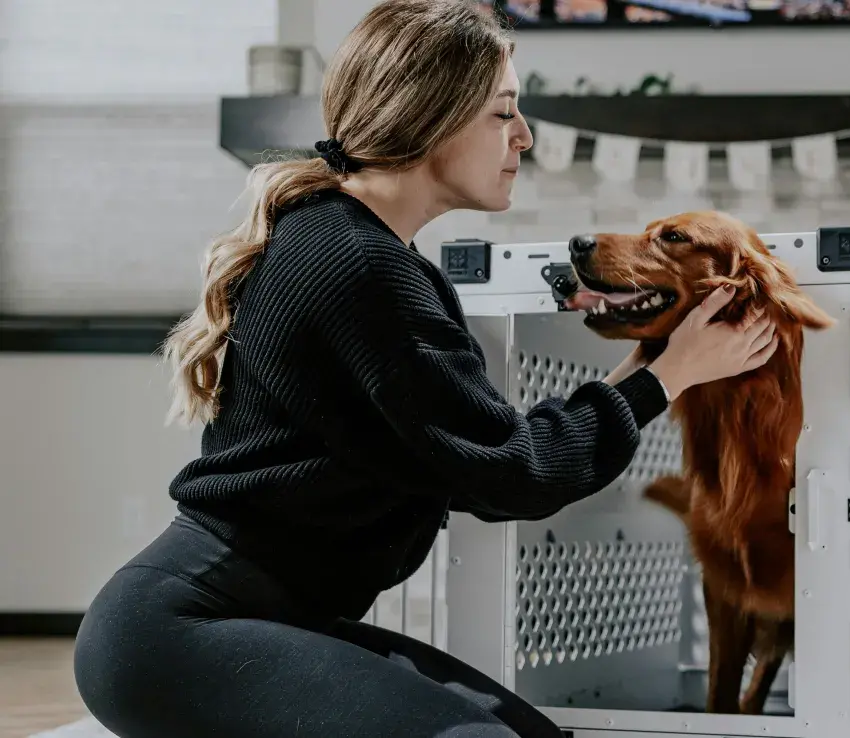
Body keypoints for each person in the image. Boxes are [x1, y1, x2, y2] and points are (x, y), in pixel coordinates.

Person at [71, 1, 779, 737]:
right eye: (503, 113)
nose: (525, 137)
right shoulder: (360, 266)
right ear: (433, 117)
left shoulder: (368, 251)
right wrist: (665, 378)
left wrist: (646, 362)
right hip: (182, 633)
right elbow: (513, 472)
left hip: (258, 618)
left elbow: (479, 451)